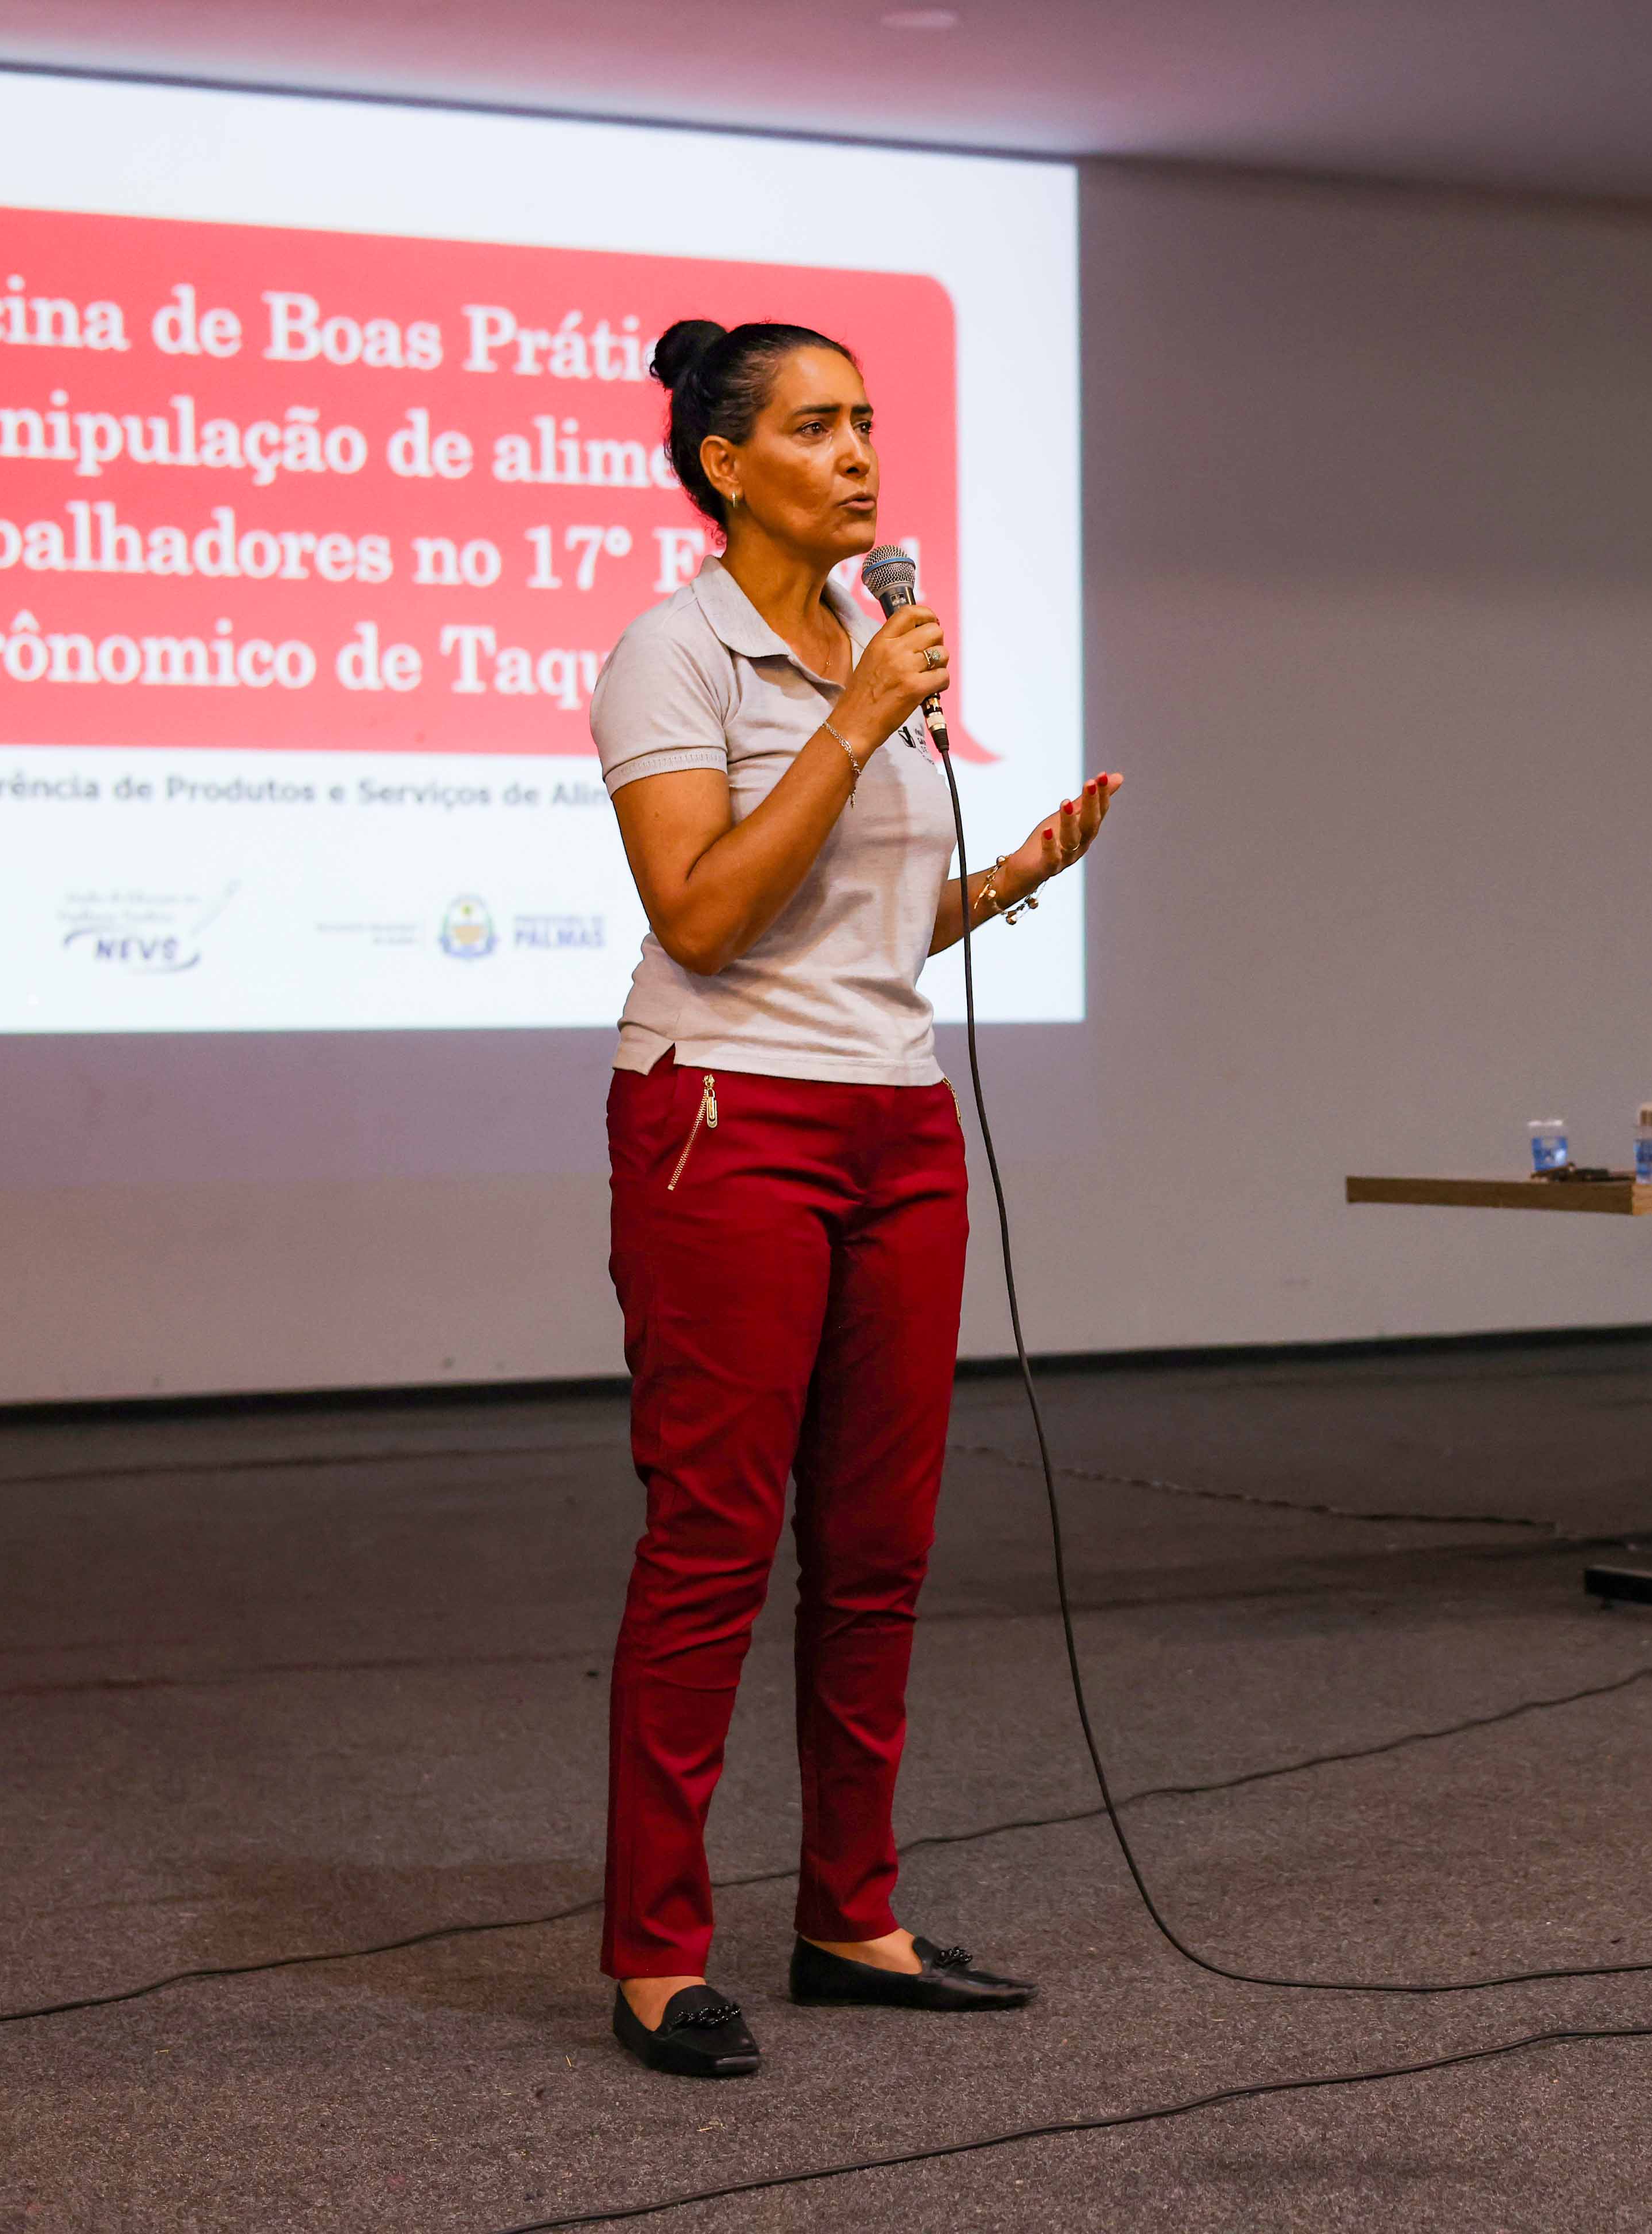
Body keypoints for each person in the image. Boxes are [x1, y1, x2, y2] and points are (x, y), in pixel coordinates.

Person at [588, 317, 1125, 2079]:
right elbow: (706, 914)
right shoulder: (675, 655)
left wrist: (1021, 885)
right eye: (815, 427)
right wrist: (866, 715)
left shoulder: (863, 647)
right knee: (714, 1548)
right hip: (726, 1121)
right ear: (724, 465)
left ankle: (849, 1915)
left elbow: (860, 923)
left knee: (878, 1558)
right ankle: (659, 1955)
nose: (859, 453)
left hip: (897, 1124)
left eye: (869, 422)